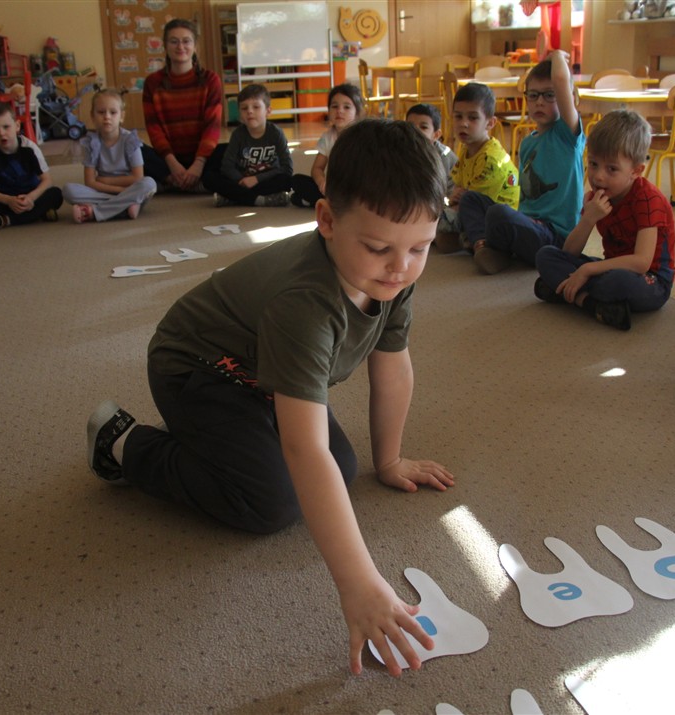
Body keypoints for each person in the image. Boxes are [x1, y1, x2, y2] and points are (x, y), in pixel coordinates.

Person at [86, 119, 455, 677]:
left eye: (420, 248)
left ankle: (222, 439)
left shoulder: (392, 276)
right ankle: (125, 444)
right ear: (326, 220)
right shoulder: (304, 304)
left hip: (262, 378)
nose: (401, 267)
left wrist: (389, 460)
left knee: (343, 468)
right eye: (379, 247)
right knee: (274, 501)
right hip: (197, 369)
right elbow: (304, 450)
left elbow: (393, 367)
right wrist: (360, 583)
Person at [533, 110, 675, 331]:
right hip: (610, 267)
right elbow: (568, 252)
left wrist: (587, 270)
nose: (598, 176)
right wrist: (588, 219)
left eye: (612, 169)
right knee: (546, 255)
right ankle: (589, 303)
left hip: (650, 280)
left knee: (616, 282)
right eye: (593, 164)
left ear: (636, 171)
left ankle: (566, 291)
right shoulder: (597, 196)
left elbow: (641, 262)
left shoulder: (648, 199)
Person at [464, 50, 584, 274]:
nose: (540, 102)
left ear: (567, 97)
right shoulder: (528, 143)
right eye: (533, 95)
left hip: (554, 236)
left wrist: (556, 56)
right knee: (471, 200)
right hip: (527, 223)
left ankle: (492, 244)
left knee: (499, 214)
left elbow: (561, 80)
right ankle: (485, 247)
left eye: (549, 95)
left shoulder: (567, 135)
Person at [431, 82, 519, 255]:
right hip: (475, 209)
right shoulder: (467, 149)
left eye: (472, 118)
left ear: (490, 123)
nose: (463, 124)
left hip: (498, 219)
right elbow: (458, 185)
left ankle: (476, 242)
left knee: (440, 224)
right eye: (458, 117)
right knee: (431, 216)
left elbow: (473, 201)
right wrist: (454, 196)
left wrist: (455, 203)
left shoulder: (490, 158)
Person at [141, 18, 222, 192]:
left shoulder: (210, 80)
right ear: (165, 46)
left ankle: (172, 183)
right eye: (174, 41)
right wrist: (172, 164)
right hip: (167, 159)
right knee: (134, 148)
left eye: (186, 41)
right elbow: (154, 129)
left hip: (203, 158)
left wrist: (198, 164)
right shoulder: (152, 82)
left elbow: (212, 127)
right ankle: (183, 181)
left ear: (195, 46)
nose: (180, 47)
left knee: (234, 151)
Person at [63, 89, 157, 223]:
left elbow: (137, 178)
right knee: (68, 190)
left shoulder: (130, 140)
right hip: (109, 192)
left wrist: (106, 181)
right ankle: (126, 206)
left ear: (121, 116)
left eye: (113, 112)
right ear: (92, 116)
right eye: (101, 112)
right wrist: (122, 192)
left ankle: (95, 211)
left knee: (149, 184)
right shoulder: (92, 142)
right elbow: (90, 182)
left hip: (128, 188)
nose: (107, 117)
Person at [0, 102, 63, 231]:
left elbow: (47, 180)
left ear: (17, 126)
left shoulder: (30, 148)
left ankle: (6, 220)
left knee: (56, 194)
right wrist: (8, 200)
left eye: (6, 127)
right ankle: (39, 213)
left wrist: (31, 198)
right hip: (5, 199)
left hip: (31, 195)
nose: (1, 133)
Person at [204, 83, 293, 207]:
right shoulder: (238, 134)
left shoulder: (276, 133)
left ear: (268, 111)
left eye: (256, 107)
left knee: (287, 180)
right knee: (209, 178)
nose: (250, 111)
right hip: (241, 180)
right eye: (244, 108)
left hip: (265, 180)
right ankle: (259, 199)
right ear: (240, 113)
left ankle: (235, 198)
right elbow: (227, 167)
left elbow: (287, 168)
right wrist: (242, 180)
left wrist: (256, 179)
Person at [290, 83, 363, 208]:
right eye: (335, 106)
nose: (339, 111)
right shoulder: (328, 137)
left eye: (346, 107)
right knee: (296, 180)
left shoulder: (361, 137)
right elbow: (317, 168)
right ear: (328, 111)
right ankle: (330, 202)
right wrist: (322, 182)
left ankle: (326, 202)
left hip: (355, 189)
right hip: (333, 189)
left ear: (357, 113)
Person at [405, 102, 457, 196]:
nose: (415, 131)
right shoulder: (402, 150)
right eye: (410, 126)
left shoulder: (442, 156)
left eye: (423, 127)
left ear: (436, 135)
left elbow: (440, 191)